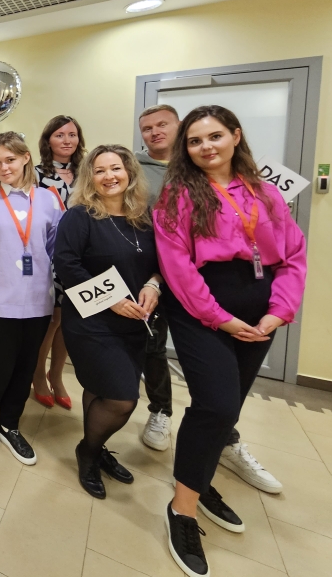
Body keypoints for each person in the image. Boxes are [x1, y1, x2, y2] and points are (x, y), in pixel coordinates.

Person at [156, 106, 306, 577]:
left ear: (236, 136)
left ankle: (199, 482)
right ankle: (182, 510)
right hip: (203, 312)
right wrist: (220, 319)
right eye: (195, 141)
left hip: (260, 312)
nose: (206, 147)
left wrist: (279, 311)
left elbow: (293, 255)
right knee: (216, 407)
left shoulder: (265, 192)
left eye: (215, 136)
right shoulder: (178, 196)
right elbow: (177, 267)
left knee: (229, 407)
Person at [53, 145, 162, 501]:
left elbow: (162, 263)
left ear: (129, 172)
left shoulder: (145, 217)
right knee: (122, 400)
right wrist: (112, 300)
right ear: (90, 178)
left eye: (116, 168)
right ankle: (87, 451)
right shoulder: (80, 216)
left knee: (100, 389)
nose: (109, 176)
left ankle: (96, 449)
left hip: (133, 323)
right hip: (92, 322)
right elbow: (67, 265)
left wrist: (153, 284)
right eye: (99, 171)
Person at [0, 133, 64, 463]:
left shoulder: (47, 199)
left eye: (10, 160)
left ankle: (10, 423)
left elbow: (53, 246)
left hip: (36, 296)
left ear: (26, 158)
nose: (4, 167)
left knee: (25, 364)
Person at [135, 104, 181, 451]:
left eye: (162, 125)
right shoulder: (133, 168)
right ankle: (160, 410)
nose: (155, 132)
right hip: (151, 272)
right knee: (153, 346)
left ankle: (225, 432)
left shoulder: (196, 165)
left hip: (196, 273)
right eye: (148, 128)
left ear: (179, 126)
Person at [33, 115, 87, 410]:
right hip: (49, 254)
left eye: (72, 135)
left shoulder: (88, 172)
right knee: (51, 320)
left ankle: (57, 375)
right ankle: (38, 375)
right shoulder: (35, 174)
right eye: (59, 135)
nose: (67, 140)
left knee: (69, 319)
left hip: (82, 255)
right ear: (48, 140)